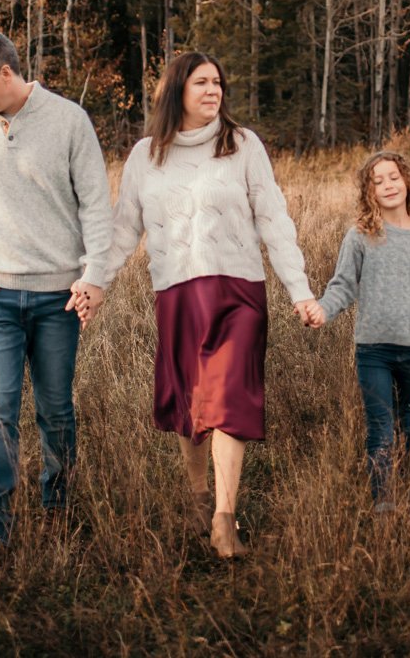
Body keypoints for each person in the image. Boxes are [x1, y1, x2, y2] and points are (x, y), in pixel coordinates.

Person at [89, 51, 316, 559]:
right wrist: (94, 281)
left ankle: (224, 517)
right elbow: (124, 229)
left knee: (230, 398)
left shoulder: (242, 145)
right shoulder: (147, 155)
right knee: (190, 404)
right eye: (202, 83)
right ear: (176, 92)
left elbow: (274, 220)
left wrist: (299, 289)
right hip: (178, 292)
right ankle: (197, 497)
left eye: (218, 82)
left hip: (239, 293)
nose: (213, 91)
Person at [0, 27, 112, 554]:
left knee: (55, 408)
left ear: (6, 73)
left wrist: (94, 276)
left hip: (58, 296)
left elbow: (96, 206)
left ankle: (57, 507)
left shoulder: (68, 120)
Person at [304, 150, 410, 513]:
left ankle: (404, 486)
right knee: (381, 425)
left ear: (407, 182)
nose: (387, 185)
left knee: (405, 424)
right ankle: (384, 503)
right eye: (378, 181)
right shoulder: (360, 236)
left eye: (393, 177)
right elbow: (343, 285)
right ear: (368, 192)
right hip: (373, 350)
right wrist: (322, 309)